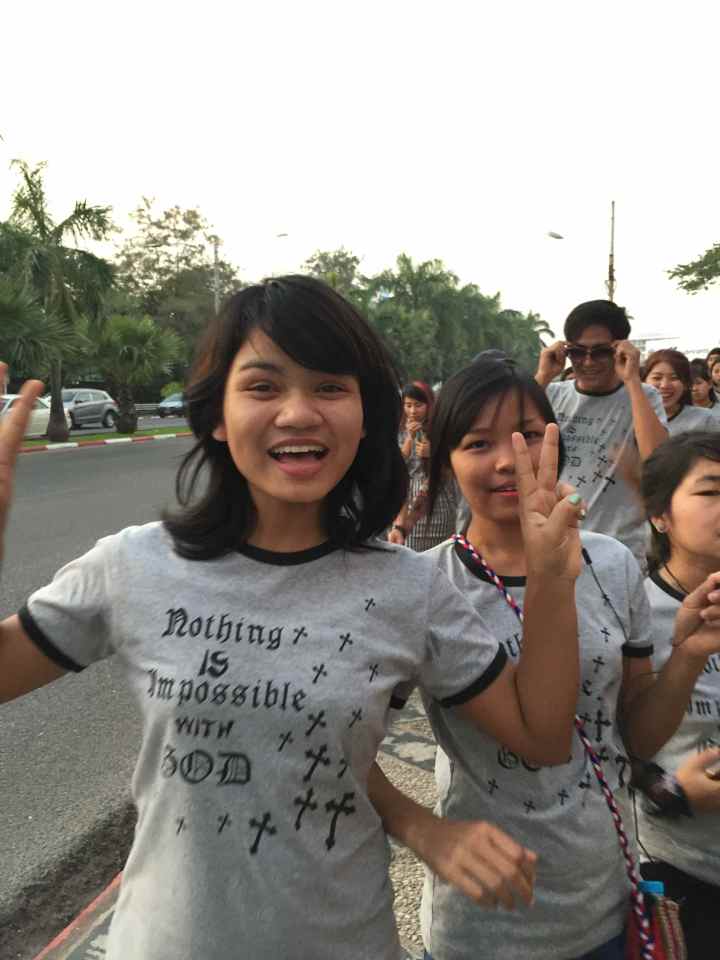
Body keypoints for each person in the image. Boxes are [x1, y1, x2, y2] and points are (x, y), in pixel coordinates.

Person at [0, 277, 588, 960]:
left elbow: (542, 737)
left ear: (366, 417)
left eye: (330, 387)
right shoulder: (134, 565)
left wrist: (551, 581)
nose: (299, 412)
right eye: (263, 386)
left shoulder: (409, 587)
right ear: (217, 415)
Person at [370, 357, 720, 960]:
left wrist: (687, 655)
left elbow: (635, 734)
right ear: (446, 461)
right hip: (484, 921)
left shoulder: (611, 563)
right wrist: (423, 829)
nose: (509, 460)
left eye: (528, 435)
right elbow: (340, 743)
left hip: (607, 902)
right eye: (478, 443)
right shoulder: (426, 584)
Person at [635, 431, 720, 958]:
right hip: (680, 873)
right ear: (660, 516)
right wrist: (672, 792)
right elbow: (605, 747)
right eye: (710, 492)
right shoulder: (634, 613)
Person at [536, 299, 668, 568]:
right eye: (577, 352)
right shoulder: (550, 394)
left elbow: (659, 460)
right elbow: (508, 439)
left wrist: (632, 380)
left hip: (620, 549)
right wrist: (543, 376)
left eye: (600, 352)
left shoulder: (644, 397)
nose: (588, 362)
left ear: (620, 349)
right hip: (555, 541)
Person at [390, 381, 457, 551]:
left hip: (436, 500)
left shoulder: (440, 431)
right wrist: (409, 439)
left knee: (437, 553)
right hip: (406, 502)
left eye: (418, 405)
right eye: (408, 405)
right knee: (406, 550)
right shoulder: (397, 431)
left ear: (429, 405)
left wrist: (432, 453)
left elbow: (452, 469)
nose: (412, 411)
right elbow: (394, 467)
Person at [643, 348, 718, 434]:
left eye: (674, 378)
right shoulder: (632, 418)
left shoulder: (704, 419)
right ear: (644, 381)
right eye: (657, 378)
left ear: (686, 384)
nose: (664, 385)